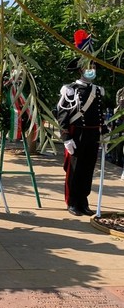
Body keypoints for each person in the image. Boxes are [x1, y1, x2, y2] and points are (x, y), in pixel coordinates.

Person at [56, 29, 107, 216]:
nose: (91, 69)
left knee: (87, 170)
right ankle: (72, 202)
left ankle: (83, 201)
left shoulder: (99, 90)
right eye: (88, 66)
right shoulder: (69, 90)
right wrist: (66, 137)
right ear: (80, 69)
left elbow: (100, 114)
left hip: (93, 134)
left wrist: (105, 132)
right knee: (74, 170)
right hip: (77, 133)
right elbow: (62, 115)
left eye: (93, 65)